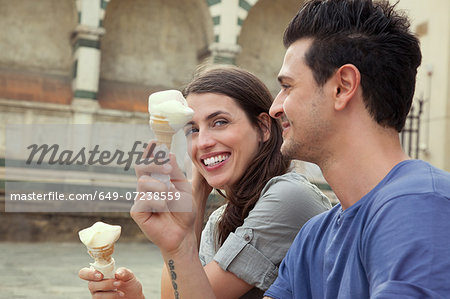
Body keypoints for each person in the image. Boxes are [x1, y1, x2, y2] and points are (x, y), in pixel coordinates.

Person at [79, 66, 331, 298]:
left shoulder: (289, 196)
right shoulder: (218, 221)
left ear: (264, 127)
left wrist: (192, 196)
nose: (203, 142)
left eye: (219, 122)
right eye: (193, 130)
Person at [263, 0, 450, 298]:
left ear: (343, 86)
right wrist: (180, 243)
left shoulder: (419, 204)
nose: (275, 107)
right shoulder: (313, 236)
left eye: (287, 86)